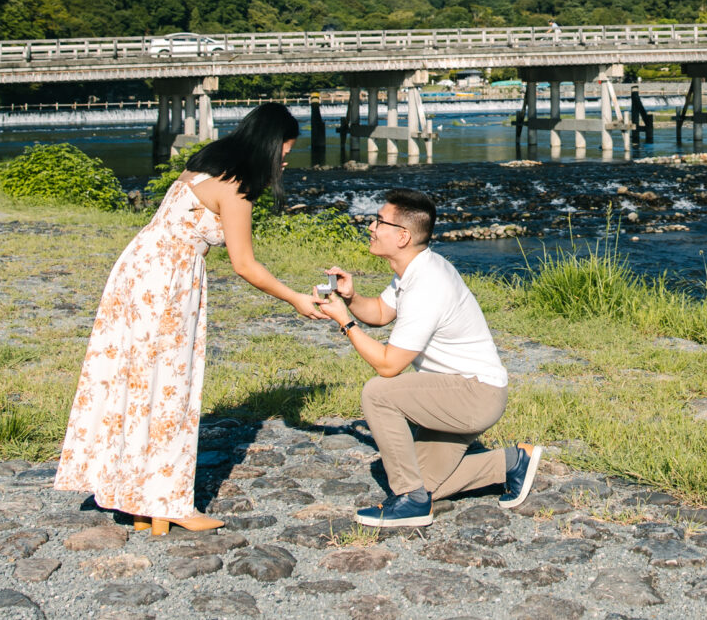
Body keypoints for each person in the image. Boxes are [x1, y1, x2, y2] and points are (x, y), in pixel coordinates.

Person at [55, 103, 324, 535]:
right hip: (169, 279)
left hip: (139, 268)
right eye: (287, 148)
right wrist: (295, 299)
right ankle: (167, 501)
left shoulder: (205, 166)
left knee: (135, 381)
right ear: (272, 143)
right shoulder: (236, 187)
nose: (288, 157)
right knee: (170, 387)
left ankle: (137, 497)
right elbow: (245, 265)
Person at [315, 188, 544, 528]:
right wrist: (350, 298)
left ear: (402, 236)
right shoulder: (414, 269)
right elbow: (379, 312)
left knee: (377, 393)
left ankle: (409, 501)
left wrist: (345, 322)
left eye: (379, 222)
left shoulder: (427, 284)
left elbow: (389, 365)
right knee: (427, 484)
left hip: (472, 395)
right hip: (458, 392)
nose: (371, 227)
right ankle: (512, 462)